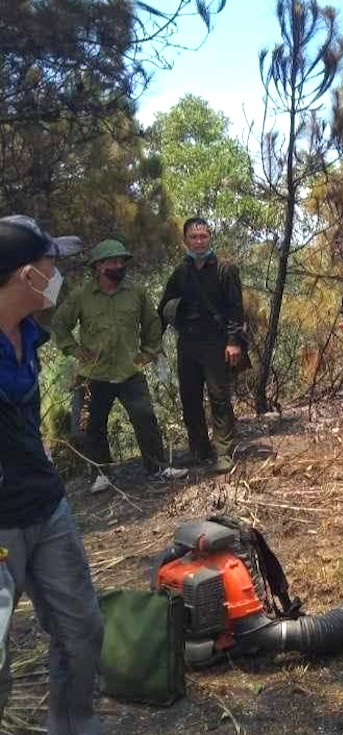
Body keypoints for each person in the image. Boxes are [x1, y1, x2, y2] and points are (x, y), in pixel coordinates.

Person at [0, 215, 103, 735]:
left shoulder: (30, 336)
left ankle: (76, 725)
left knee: (81, 629)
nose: (58, 274)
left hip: (48, 509)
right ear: (26, 275)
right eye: (51, 263)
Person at [51, 239, 187, 491]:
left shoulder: (136, 292)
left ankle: (157, 468)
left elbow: (152, 324)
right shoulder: (82, 295)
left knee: (145, 417)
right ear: (99, 266)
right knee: (89, 427)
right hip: (92, 375)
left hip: (129, 371)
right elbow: (60, 323)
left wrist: (147, 352)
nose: (119, 265)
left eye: (122, 261)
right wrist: (73, 350)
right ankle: (101, 473)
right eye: (113, 261)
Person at [158, 218, 245, 474]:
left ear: (210, 238)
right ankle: (199, 449)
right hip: (187, 343)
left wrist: (233, 342)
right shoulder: (180, 273)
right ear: (186, 240)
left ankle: (224, 453)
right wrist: (154, 342)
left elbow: (235, 309)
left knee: (219, 397)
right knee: (190, 398)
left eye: (203, 236)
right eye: (193, 237)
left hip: (216, 343)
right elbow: (163, 307)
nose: (199, 241)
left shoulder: (225, 269)